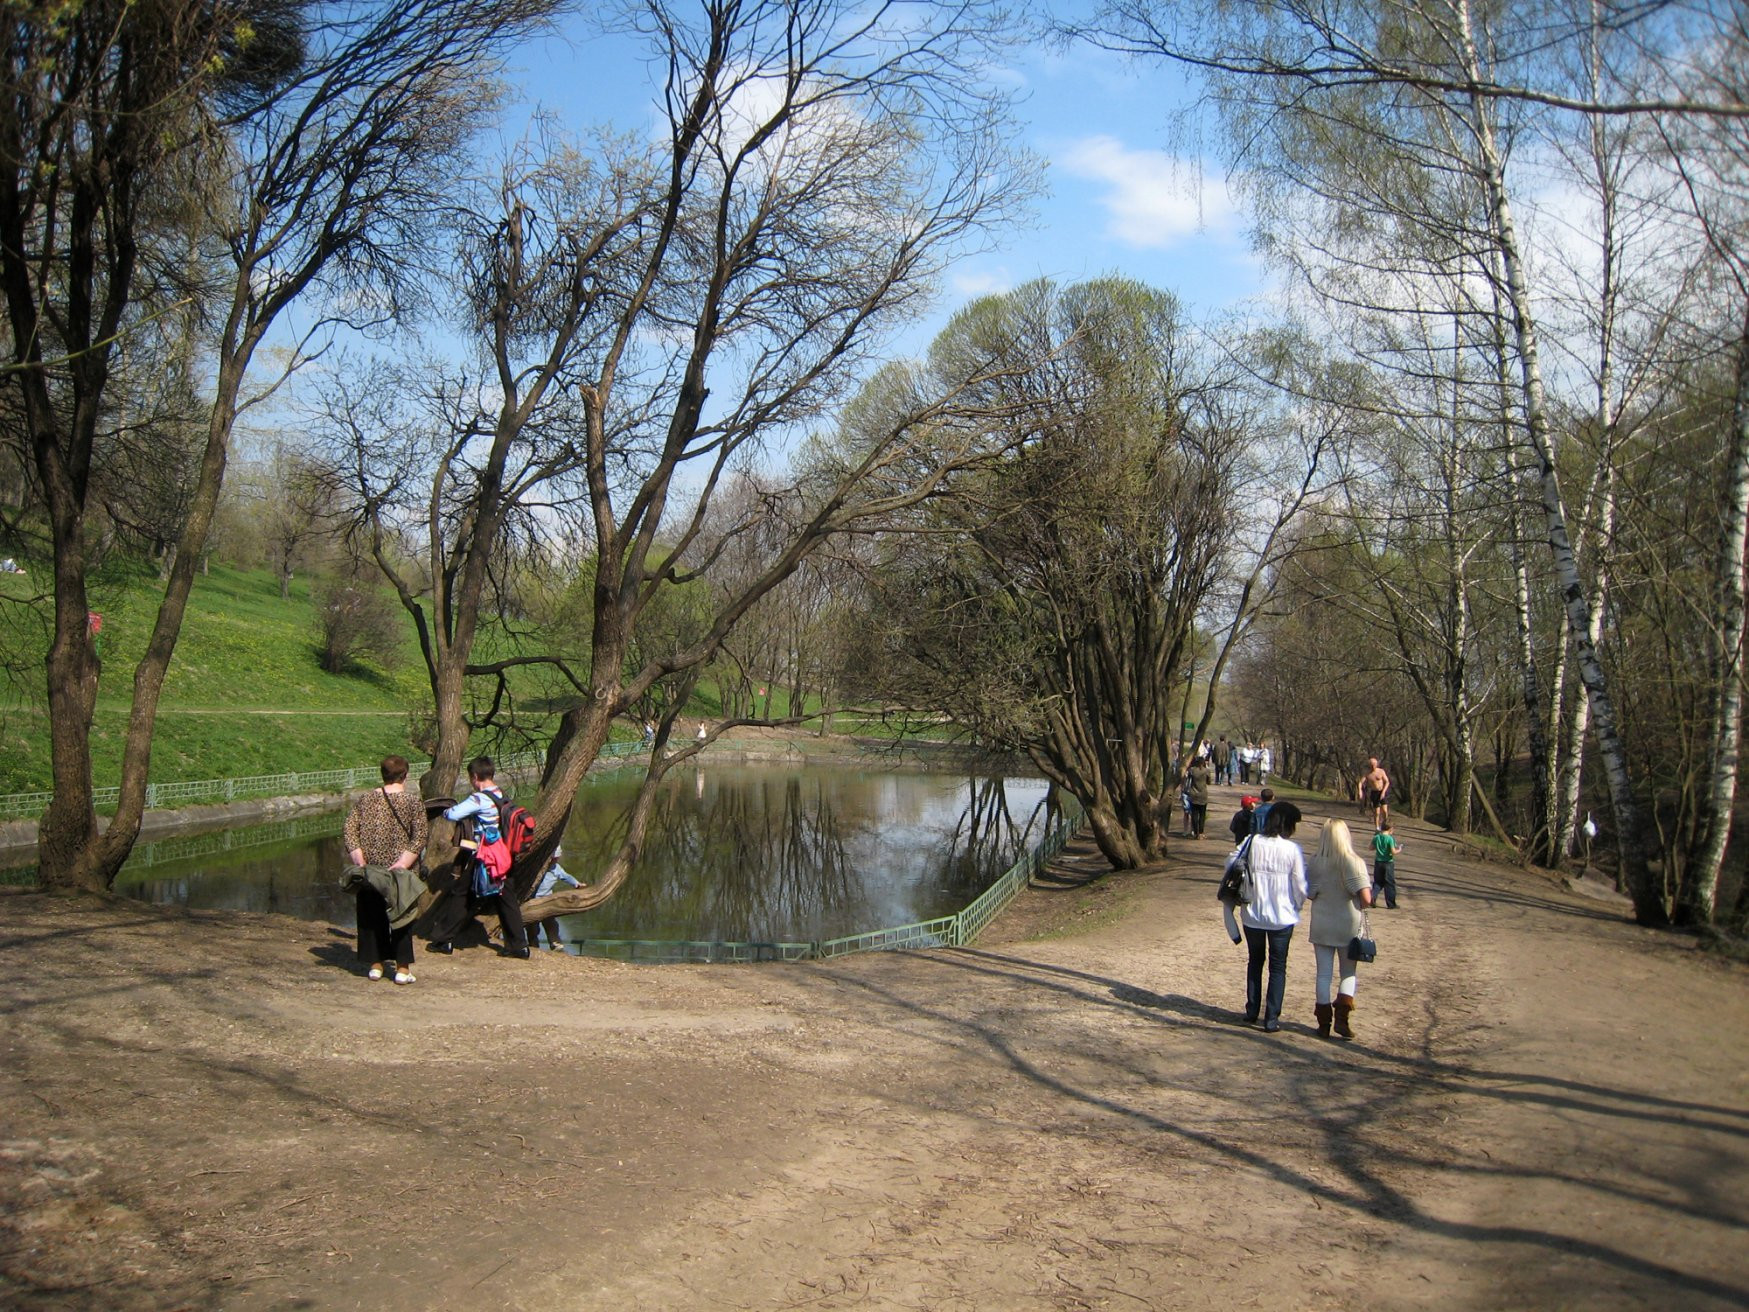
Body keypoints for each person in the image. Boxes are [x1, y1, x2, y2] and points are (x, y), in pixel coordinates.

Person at [342, 755, 429, 985]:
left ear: (382, 774)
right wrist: (404, 862)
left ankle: (375, 966)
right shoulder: (412, 802)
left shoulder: (366, 799)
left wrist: (358, 856)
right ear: (405, 775)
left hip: (370, 869)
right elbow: (420, 836)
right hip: (399, 872)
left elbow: (349, 828)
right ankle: (402, 969)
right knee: (401, 917)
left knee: (372, 916)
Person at [443, 757, 532, 959]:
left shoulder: (479, 799)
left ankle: (444, 940)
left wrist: (446, 808)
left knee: (461, 894)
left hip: (485, 856)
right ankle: (519, 945)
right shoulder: (502, 795)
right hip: (504, 854)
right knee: (507, 898)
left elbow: (452, 815)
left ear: (475, 777)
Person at [1238, 802, 1307, 1032]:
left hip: (1253, 913)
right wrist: (1297, 906)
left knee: (1255, 961)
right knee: (1278, 967)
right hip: (1282, 916)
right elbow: (1299, 885)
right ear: (1288, 824)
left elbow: (1233, 863)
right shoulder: (1291, 849)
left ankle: (1251, 1009)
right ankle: (1271, 1018)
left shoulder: (1252, 842)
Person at [1305, 819, 1373, 1039]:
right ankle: (1342, 1020)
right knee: (1348, 973)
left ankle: (1323, 1023)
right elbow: (1366, 898)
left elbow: (1310, 893)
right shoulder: (1354, 862)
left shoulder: (1315, 862)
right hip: (1347, 923)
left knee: (1323, 974)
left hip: (1322, 923)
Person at [527, 846, 582, 951]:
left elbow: (566, 876)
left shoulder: (556, 868)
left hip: (547, 899)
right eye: (553, 858)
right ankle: (533, 944)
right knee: (532, 925)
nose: (555, 860)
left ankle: (555, 942)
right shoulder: (538, 866)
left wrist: (576, 883)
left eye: (557, 858)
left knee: (550, 923)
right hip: (533, 900)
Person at [1372, 821, 1401, 909]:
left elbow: (1370, 848)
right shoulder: (1390, 839)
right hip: (1388, 862)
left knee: (1377, 882)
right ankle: (1391, 904)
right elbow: (1393, 852)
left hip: (1378, 862)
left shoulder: (1376, 837)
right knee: (1389, 883)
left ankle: (1372, 897)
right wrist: (1399, 849)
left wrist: (1377, 847)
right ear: (1390, 829)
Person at [1183, 756, 1212, 838]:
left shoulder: (1192, 770)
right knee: (1202, 815)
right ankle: (1201, 832)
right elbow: (1209, 782)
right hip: (1203, 794)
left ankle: (1196, 833)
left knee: (1194, 815)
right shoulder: (1206, 771)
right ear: (1203, 763)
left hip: (1193, 794)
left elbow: (1188, 780)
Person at [1359, 757, 1392, 828]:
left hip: (1382, 791)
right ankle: (1377, 827)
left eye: (1374, 764)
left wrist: (1383, 792)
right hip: (1374, 793)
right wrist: (1360, 791)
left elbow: (1387, 782)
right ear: (1369, 765)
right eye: (1371, 764)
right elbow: (1360, 782)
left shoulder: (1381, 771)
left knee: (1385, 811)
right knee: (1377, 812)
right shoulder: (1367, 774)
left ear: (1376, 764)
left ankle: (1385, 825)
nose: (1373, 766)